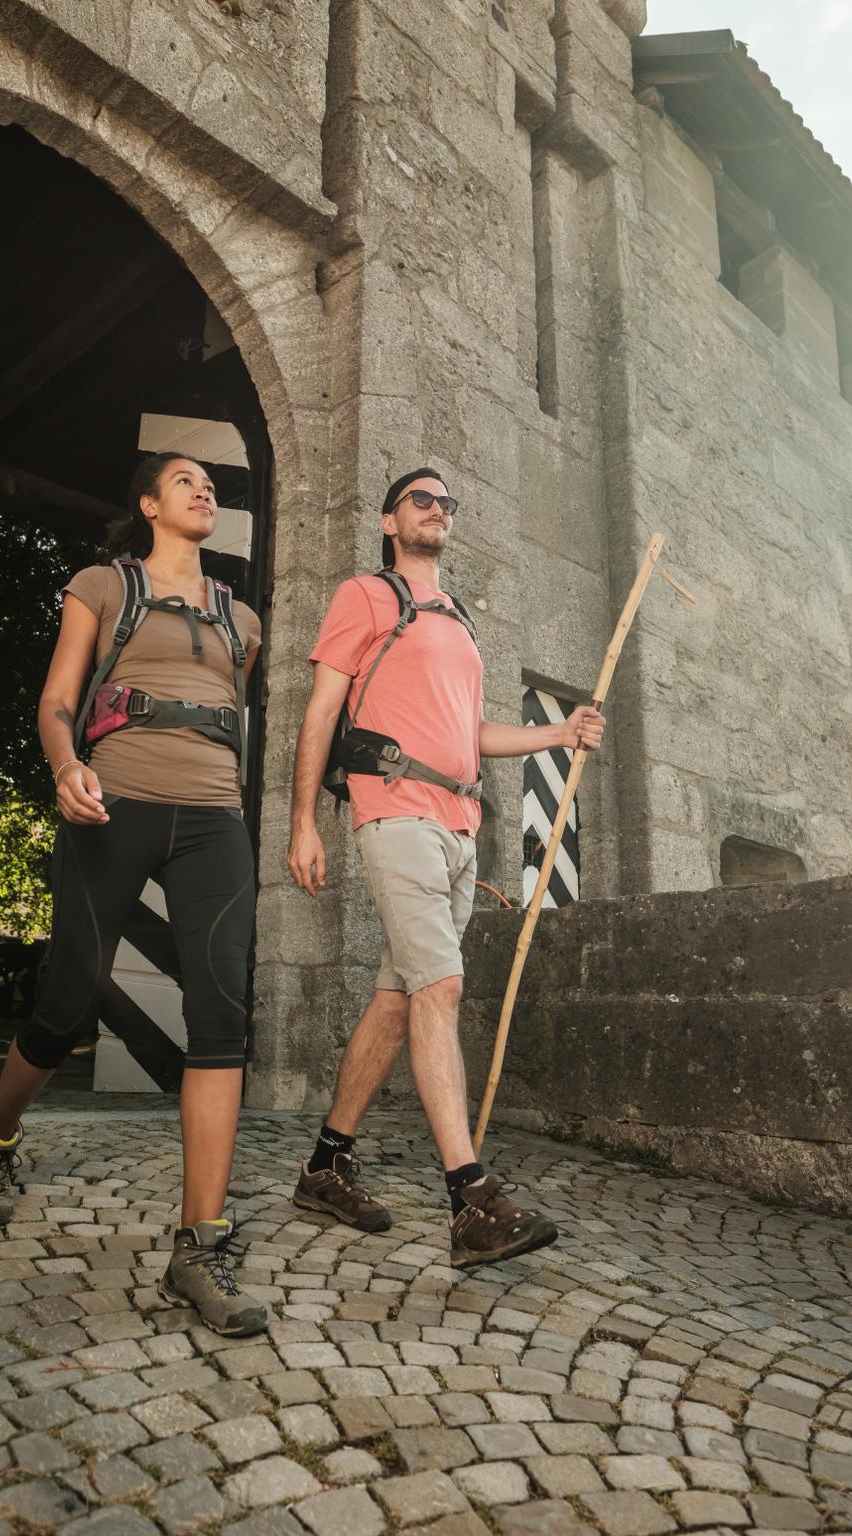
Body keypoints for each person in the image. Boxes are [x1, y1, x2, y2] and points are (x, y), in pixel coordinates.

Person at [0, 452, 267, 1337]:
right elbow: (58, 700)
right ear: (146, 504)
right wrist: (64, 767)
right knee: (66, 1001)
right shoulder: (102, 583)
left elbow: (225, 714)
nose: (204, 490)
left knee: (222, 1017)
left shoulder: (242, 619)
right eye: (183, 481)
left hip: (213, 819)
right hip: (113, 803)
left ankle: (197, 1247)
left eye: (211, 484)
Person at [286, 468, 604, 1268]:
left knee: (399, 998)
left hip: (460, 825)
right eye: (422, 500)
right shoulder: (365, 595)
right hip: (393, 811)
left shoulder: (459, 622)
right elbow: (322, 710)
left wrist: (559, 734)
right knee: (442, 984)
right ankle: (470, 1199)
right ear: (390, 520)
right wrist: (301, 822)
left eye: (448, 503)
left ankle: (326, 1165)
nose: (439, 511)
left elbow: (474, 735)